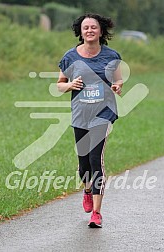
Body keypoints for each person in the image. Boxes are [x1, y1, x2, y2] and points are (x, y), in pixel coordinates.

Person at [57, 13, 123, 228]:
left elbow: (119, 78)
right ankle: (87, 190)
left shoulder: (111, 56)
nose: (90, 31)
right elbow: (59, 84)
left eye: (93, 27)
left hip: (102, 114)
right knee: (83, 163)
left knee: (96, 160)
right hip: (80, 114)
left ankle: (96, 212)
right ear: (80, 31)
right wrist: (69, 86)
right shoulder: (70, 57)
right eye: (86, 28)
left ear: (101, 31)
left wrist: (118, 86)